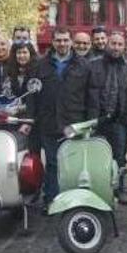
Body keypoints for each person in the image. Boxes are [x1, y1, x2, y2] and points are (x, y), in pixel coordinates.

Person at [28, 27, 100, 206]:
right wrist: (31, 118)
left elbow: (92, 95)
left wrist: (91, 121)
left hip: (74, 122)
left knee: (74, 163)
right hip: (49, 122)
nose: (62, 44)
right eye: (58, 40)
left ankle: (74, 199)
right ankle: (52, 199)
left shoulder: (84, 65)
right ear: (53, 42)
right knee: (52, 163)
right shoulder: (40, 65)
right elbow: (31, 95)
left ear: (71, 42)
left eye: (65, 40)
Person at [89, 32, 127, 200]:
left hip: (119, 121)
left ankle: (118, 189)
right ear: (107, 44)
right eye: (113, 43)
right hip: (97, 120)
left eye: (120, 44)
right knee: (96, 155)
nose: (116, 47)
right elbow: (86, 92)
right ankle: (97, 189)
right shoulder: (93, 65)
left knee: (119, 157)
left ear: (124, 46)